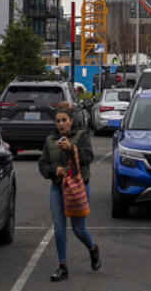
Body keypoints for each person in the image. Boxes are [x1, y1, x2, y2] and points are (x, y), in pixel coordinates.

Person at [37, 107, 100, 282]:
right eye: (58, 121)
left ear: (71, 121)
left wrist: (72, 148)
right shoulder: (50, 140)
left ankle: (93, 249)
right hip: (58, 188)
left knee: (79, 228)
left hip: (78, 187)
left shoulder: (81, 137)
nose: (61, 124)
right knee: (59, 227)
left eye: (64, 120)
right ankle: (63, 266)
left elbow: (88, 157)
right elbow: (42, 164)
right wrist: (53, 170)